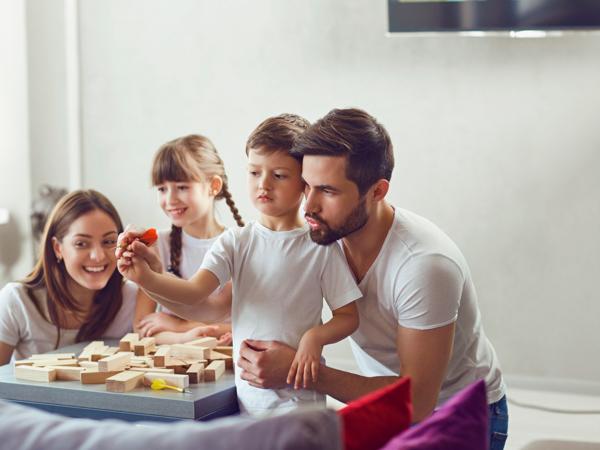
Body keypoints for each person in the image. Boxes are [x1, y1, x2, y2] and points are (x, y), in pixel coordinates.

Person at [236, 108, 508, 449]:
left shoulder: (424, 265)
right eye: (306, 185)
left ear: (377, 192)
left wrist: (303, 372)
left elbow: (417, 403)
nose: (309, 206)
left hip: (455, 414)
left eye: (328, 191)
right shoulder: (325, 234)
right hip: (393, 406)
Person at [117, 114, 361, 415]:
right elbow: (196, 295)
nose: (264, 185)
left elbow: (348, 316)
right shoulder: (236, 242)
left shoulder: (321, 247)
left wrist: (314, 337)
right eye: (255, 172)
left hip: (300, 405)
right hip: (248, 401)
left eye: (280, 175)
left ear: (305, 183)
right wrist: (146, 277)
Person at [0, 190, 137, 365]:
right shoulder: (16, 300)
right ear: (58, 248)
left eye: (109, 241)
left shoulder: (131, 297)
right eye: (81, 244)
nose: (98, 256)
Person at [134, 134, 244, 345]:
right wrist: (185, 337)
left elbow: (250, 326)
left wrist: (179, 325)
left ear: (213, 186)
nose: (170, 199)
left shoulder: (238, 245)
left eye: (182, 187)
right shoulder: (157, 245)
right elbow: (142, 327)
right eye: (162, 189)